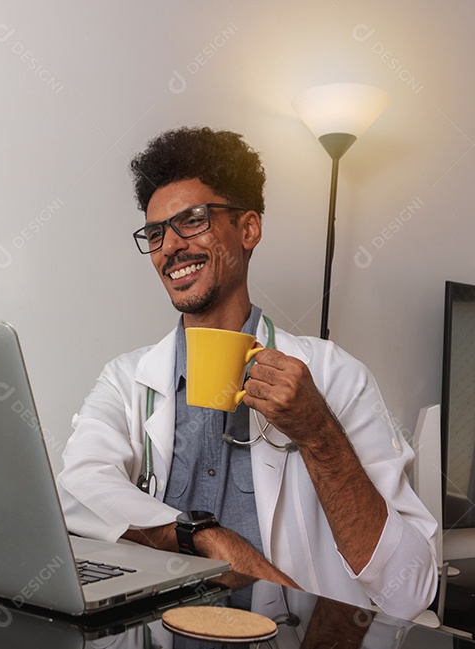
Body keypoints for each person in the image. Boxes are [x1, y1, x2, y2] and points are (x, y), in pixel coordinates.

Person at [56, 126, 438, 620]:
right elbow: (76, 489)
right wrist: (208, 539)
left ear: (249, 229)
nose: (169, 245)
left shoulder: (334, 375)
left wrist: (317, 431)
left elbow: (413, 588)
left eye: (191, 220)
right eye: (155, 233)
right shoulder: (127, 380)